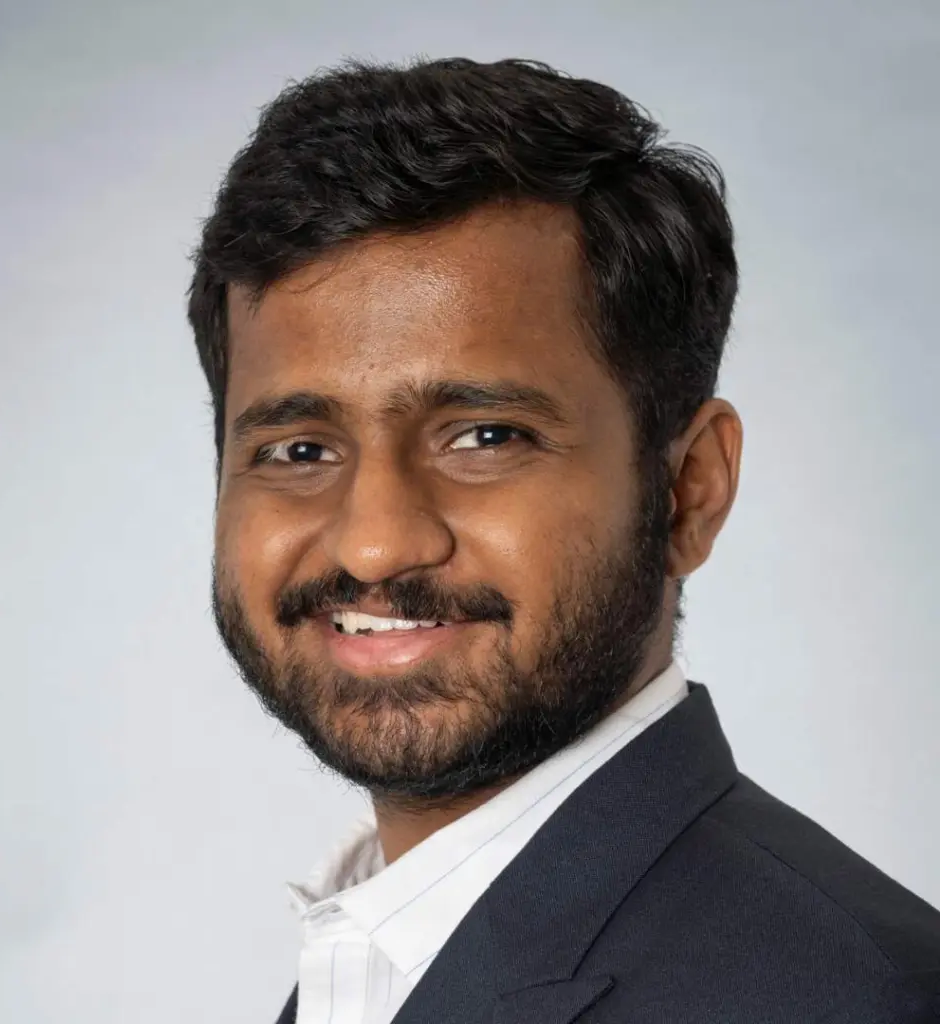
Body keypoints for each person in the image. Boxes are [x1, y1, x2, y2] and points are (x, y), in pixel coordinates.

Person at [186, 57, 940, 1024]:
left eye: (486, 437)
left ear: (689, 491)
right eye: (299, 448)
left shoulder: (863, 1002)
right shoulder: (385, 945)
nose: (373, 546)